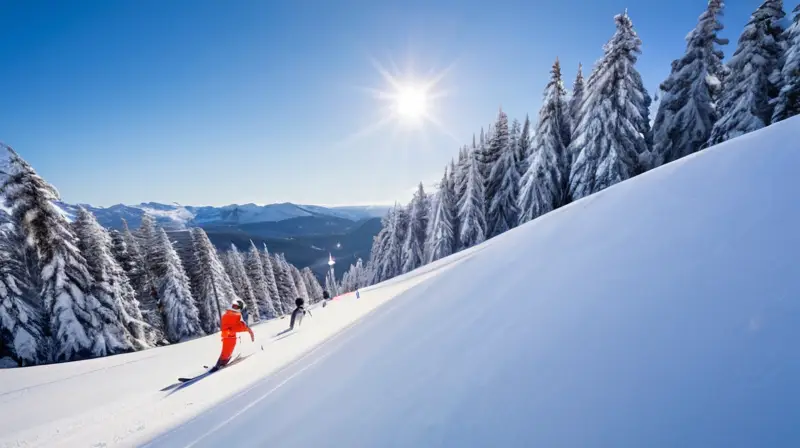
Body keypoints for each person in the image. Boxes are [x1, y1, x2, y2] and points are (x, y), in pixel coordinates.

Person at [216, 299, 254, 368]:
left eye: (236, 306)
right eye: (234, 306)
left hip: (230, 335)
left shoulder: (233, 314)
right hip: (228, 335)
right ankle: (222, 361)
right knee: (227, 349)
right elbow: (237, 326)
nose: (235, 308)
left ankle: (222, 361)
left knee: (228, 349)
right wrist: (246, 328)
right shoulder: (232, 314)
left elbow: (237, 325)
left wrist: (246, 327)